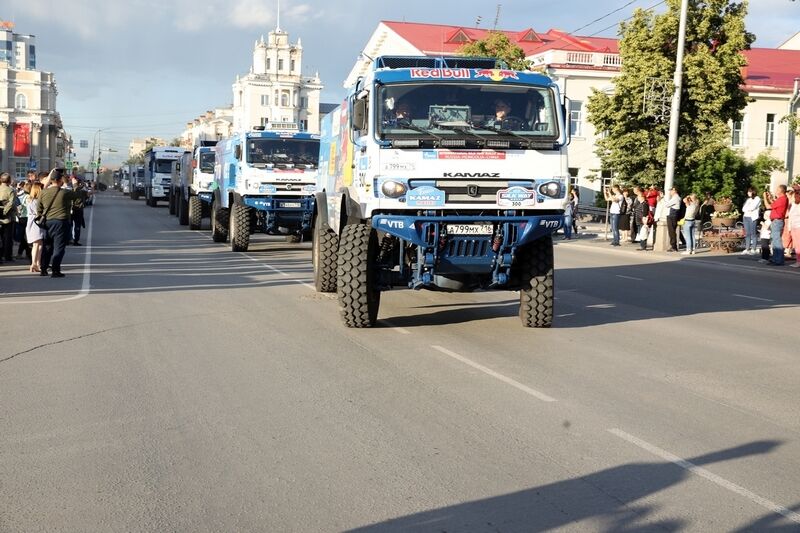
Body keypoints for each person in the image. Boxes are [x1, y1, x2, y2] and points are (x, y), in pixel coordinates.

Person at [37, 168, 75, 278]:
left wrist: (42, 216)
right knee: (59, 248)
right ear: (60, 181)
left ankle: (43, 269)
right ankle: (55, 270)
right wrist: (74, 184)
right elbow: (78, 195)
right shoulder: (64, 192)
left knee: (47, 247)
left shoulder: (43, 192)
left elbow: (38, 208)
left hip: (47, 222)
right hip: (61, 222)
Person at [763, 185, 788, 266]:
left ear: (781, 191)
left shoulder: (782, 199)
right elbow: (774, 205)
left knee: (777, 241)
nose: (776, 190)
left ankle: (779, 260)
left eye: (777, 189)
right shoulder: (781, 199)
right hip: (776, 221)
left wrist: (765, 198)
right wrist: (770, 198)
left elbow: (768, 206)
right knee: (774, 240)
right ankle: (775, 258)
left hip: (777, 221)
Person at [25, 183, 46, 273]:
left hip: (33, 223)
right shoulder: (35, 201)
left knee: (40, 244)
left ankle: (38, 263)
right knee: (36, 244)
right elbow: (39, 212)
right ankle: (33, 263)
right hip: (36, 223)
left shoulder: (30, 200)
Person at [0, 173, 17, 262]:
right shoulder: (11, 190)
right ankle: (7, 256)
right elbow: (11, 203)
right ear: (9, 180)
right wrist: (4, 212)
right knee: (7, 237)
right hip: (7, 217)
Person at [741, 187, 761, 255]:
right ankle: (747, 248)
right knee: (747, 233)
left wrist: (748, 209)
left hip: (752, 217)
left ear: (753, 192)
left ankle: (753, 249)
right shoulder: (748, 199)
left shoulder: (757, 199)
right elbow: (743, 209)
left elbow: (752, 207)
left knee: (753, 233)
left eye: (749, 191)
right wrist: (748, 209)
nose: (748, 193)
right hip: (746, 217)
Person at [15, 181, 32, 260]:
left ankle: (20, 253)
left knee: (23, 237)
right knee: (26, 237)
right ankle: (27, 253)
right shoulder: (28, 196)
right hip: (26, 217)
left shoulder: (19, 195)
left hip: (20, 217)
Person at [70, 176, 88, 246]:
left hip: (70, 210)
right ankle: (75, 240)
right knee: (77, 226)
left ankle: (70, 239)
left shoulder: (69, 190)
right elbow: (88, 194)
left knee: (70, 225)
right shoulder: (82, 192)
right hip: (78, 210)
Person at [665, 187, 682, 252]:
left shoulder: (676, 198)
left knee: (671, 232)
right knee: (672, 231)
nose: (670, 192)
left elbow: (667, 205)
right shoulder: (675, 198)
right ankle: (673, 246)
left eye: (671, 190)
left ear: (675, 191)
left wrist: (664, 200)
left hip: (672, 216)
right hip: (672, 215)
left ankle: (674, 247)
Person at [788, 185, 800, 268]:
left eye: (796, 196)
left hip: (799, 226)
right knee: (796, 245)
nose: (794, 198)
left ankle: (799, 262)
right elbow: (790, 216)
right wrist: (789, 227)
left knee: (799, 245)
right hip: (793, 226)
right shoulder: (793, 205)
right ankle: (798, 261)